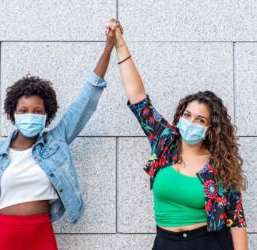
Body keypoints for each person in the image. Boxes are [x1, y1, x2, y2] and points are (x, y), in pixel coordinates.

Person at [0, 22, 119, 250]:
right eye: (23, 111)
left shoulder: (55, 143)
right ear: (12, 113)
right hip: (2, 235)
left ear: (47, 115)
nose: (30, 116)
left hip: (40, 234)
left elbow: (86, 101)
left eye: (38, 111)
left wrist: (108, 48)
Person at [106, 18, 248, 250]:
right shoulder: (165, 142)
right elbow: (138, 97)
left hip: (209, 243)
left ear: (211, 128)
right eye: (187, 115)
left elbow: (236, 219)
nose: (191, 122)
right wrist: (120, 43)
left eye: (200, 120)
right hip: (165, 243)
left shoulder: (221, 163)